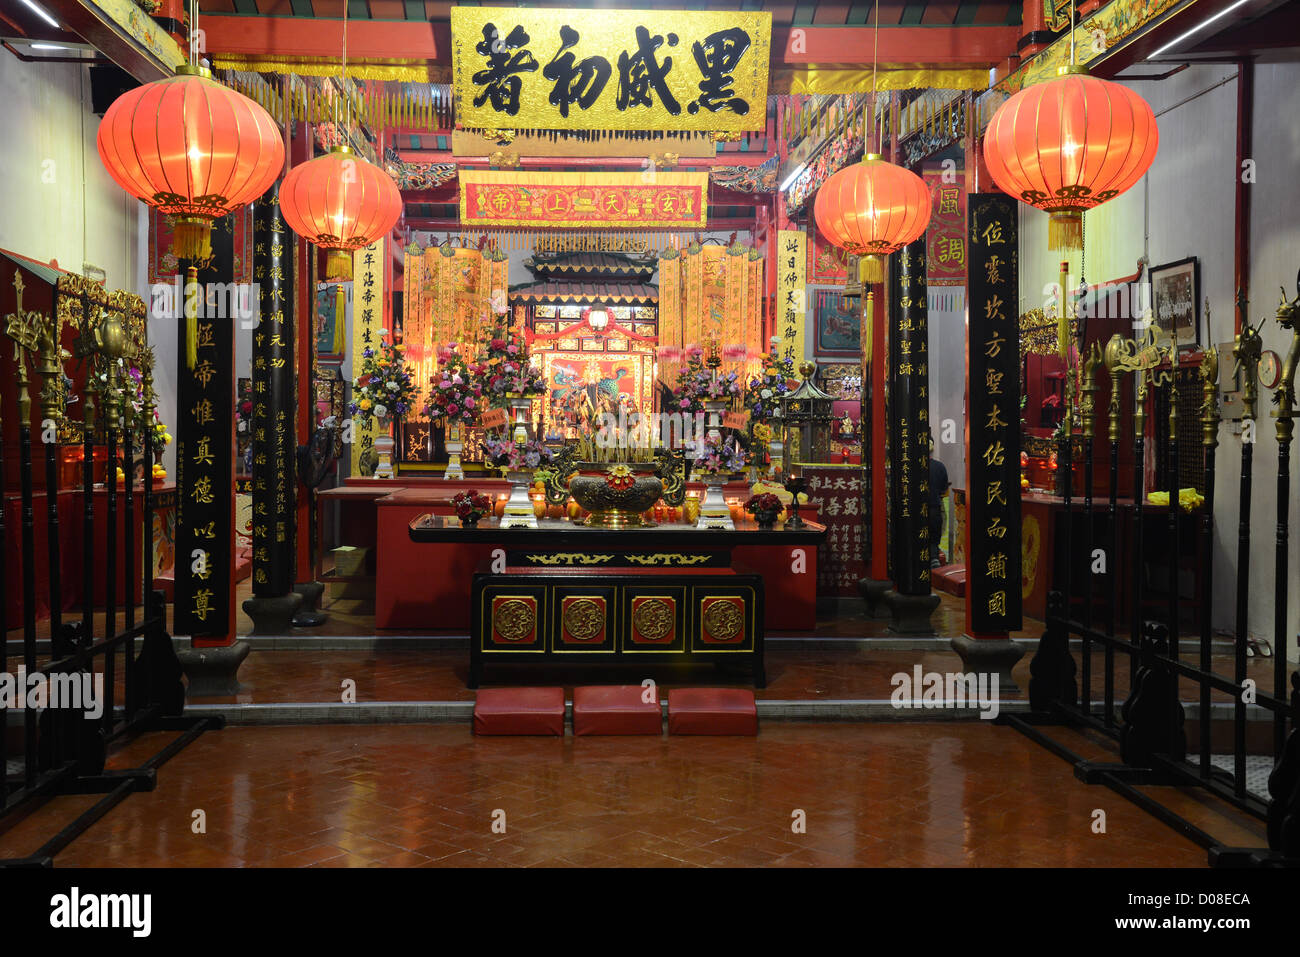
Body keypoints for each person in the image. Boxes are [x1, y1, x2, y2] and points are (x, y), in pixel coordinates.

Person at [928, 430, 949, 569]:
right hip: (934, 507)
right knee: (934, 536)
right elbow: (944, 489)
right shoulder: (940, 466)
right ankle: (934, 558)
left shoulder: (913, 467)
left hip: (916, 508)